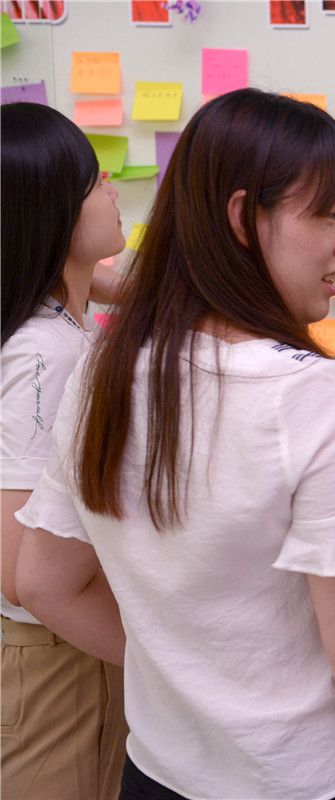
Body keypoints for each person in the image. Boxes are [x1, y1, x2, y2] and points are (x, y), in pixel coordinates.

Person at [14, 89, 335, 800]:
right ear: (244, 218)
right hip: (304, 782)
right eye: (327, 213)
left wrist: (182, 674)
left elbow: (44, 583)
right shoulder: (308, 391)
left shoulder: (101, 371)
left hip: (156, 774)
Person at [1, 101, 128, 800]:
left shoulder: (62, 327)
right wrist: (161, 655)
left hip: (72, 644)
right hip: (58, 659)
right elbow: (18, 570)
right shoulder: (43, 353)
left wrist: (85, 275)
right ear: (55, 212)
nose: (112, 187)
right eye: (93, 180)